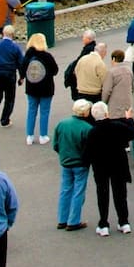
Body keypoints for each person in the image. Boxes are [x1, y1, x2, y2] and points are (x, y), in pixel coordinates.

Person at [85, 103, 134, 236]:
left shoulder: (92, 132)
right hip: (118, 164)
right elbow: (133, 133)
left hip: (100, 167)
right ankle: (124, 222)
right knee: (120, 194)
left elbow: (87, 153)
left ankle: (103, 224)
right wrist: (129, 118)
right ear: (107, 113)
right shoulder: (117, 126)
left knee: (102, 194)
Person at [51, 99, 94, 231]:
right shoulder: (87, 128)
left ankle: (62, 219)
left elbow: (55, 144)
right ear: (86, 113)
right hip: (80, 164)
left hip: (66, 162)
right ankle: (73, 220)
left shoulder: (62, 124)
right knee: (78, 191)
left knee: (65, 190)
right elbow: (89, 149)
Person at [18, 33, 59, 145]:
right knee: (44, 112)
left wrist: (22, 78)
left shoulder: (28, 56)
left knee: (31, 111)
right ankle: (43, 136)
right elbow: (55, 70)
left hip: (31, 88)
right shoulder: (47, 56)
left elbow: (22, 71)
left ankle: (30, 136)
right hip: (46, 88)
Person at [62, 30, 99, 101]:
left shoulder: (88, 50)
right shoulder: (92, 48)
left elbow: (80, 61)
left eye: (84, 37)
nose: (82, 38)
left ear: (89, 39)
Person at [71, 35, 108, 103]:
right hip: (94, 94)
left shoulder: (82, 59)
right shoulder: (100, 63)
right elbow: (105, 80)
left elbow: (75, 72)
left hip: (81, 92)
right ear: (104, 52)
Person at [103, 49, 134, 118]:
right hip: (127, 103)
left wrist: (103, 103)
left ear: (113, 59)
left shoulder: (111, 72)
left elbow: (107, 91)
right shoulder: (129, 70)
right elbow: (132, 87)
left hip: (115, 105)